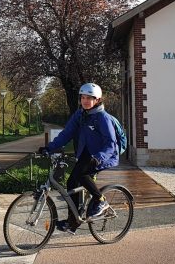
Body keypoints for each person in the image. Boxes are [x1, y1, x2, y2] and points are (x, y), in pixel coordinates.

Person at [38, 82, 118, 235]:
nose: (85, 101)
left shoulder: (103, 118)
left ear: (98, 100)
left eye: (90, 98)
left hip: (103, 155)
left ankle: (101, 201)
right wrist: (49, 147)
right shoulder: (80, 115)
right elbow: (66, 134)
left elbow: (111, 144)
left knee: (82, 175)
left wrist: (99, 158)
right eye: (83, 97)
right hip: (86, 155)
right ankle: (72, 221)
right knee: (71, 182)